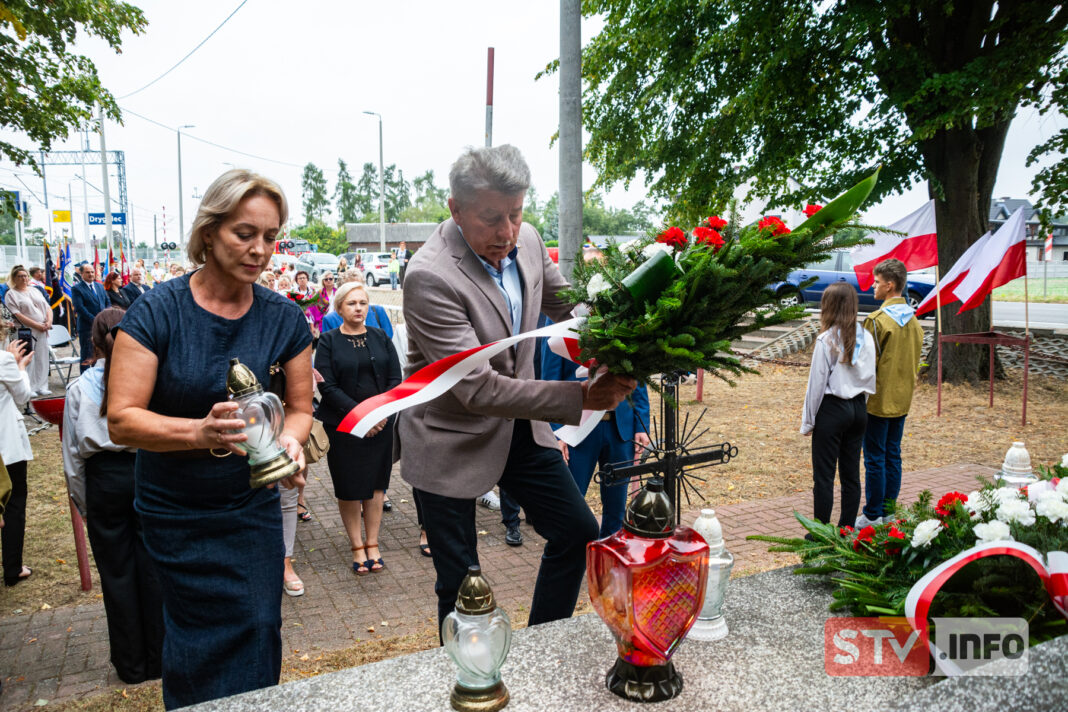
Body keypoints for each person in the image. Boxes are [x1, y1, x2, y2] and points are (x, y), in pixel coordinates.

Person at [400, 144, 636, 630]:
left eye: (516, 213)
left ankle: (538, 647)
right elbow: (478, 390)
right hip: (449, 437)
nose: (507, 232)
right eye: (491, 218)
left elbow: (569, 307)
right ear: (456, 209)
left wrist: (628, 340)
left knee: (577, 532)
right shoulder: (429, 276)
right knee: (462, 584)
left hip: (520, 429)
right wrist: (581, 398)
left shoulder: (526, 239)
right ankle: (469, 669)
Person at [107, 169, 313, 709]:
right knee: (197, 641)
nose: (260, 249)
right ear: (208, 232)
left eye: (270, 236)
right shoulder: (157, 311)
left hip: (251, 507)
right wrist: (199, 432)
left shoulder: (284, 318)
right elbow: (121, 420)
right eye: (245, 233)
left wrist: (291, 443)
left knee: (260, 623)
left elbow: (299, 409)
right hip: (176, 511)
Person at [62, 307, 164, 684]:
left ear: (93, 342)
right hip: (142, 471)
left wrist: (84, 503)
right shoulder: (149, 382)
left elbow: (72, 458)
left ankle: (131, 665)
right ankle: (159, 657)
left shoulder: (78, 389)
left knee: (116, 574)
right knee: (152, 567)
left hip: (103, 481)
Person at [315, 282, 401, 574]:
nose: (358, 308)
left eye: (363, 303)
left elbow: (395, 378)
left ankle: (373, 543)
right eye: (352, 303)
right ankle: (356, 545)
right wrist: (361, 416)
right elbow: (326, 386)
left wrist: (379, 415)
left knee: (376, 485)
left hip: (381, 423)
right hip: (344, 426)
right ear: (339, 308)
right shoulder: (328, 341)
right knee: (350, 487)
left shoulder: (380, 336)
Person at [800, 283, 876, 531]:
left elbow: (816, 385)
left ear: (829, 307)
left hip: (833, 409)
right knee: (851, 475)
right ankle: (846, 529)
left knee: (824, 476)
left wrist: (808, 422)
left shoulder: (827, 339)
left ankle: (821, 533)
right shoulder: (867, 337)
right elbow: (870, 378)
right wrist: (859, 406)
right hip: (858, 409)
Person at [857, 258, 924, 528]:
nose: (873, 286)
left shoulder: (877, 321)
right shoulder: (914, 321)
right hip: (902, 399)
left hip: (877, 400)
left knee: (875, 457)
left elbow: (865, 366)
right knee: (893, 455)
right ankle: (888, 511)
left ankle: (872, 514)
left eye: (877, 282)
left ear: (890, 285)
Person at [0, 335, 33, 587]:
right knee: (13, 504)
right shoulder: (4, 360)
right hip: (6, 445)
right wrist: (20, 367)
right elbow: (23, 396)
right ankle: (13, 567)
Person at [5, 264, 53, 395]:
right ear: (14, 278)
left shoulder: (35, 290)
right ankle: (29, 387)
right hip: (25, 330)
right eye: (20, 276)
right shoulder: (11, 294)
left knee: (42, 357)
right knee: (28, 358)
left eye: (25, 276)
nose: (23, 278)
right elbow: (17, 314)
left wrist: (49, 322)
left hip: (42, 329)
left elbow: (47, 307)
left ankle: (42, 385)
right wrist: (36, 325)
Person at [71, 262, 109, 373]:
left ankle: (99, 377)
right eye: (87, 272)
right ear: (81, 274)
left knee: (101, 355)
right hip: (87, 327)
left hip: (102, 327)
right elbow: (80, 308)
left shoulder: (99, 286)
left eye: (92, 272)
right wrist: (95, 320)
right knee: (87, 356)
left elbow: (107, 302)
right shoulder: (77, 289)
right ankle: (85, 379)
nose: (91, 274)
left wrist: (106, 316)